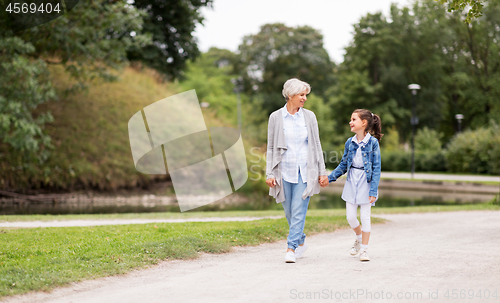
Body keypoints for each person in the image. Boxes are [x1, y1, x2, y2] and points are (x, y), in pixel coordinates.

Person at [266, 78, 328, 263]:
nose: (305, 99)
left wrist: (322, 171)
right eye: (302, 95)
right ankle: (301, 240)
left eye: (305, 95)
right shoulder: (275, 117)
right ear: (290, 95)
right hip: (283, 171)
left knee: (299, 210)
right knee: (289, 212)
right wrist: (269, 173)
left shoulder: (309, 117)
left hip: (305, 171)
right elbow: (270, 147)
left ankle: (291, 248)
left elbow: (316, 144)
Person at [321, 109, 383, 262]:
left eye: (353, 119)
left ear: (364, 123)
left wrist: (374, 189)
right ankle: (359, 237)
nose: (350, 122)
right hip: (351, 182)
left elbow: (376, 169)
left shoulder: (373, 143)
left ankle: (364, 250)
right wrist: (330, 178)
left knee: (365, 217)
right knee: (350, 217)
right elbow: (343, 165)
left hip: (366, 183)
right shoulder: (350, 142)